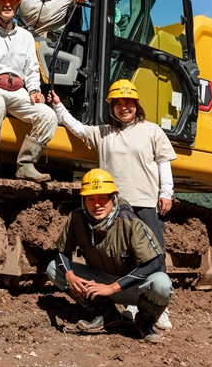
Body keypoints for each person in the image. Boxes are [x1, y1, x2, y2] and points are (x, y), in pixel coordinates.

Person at [49, 79, 177, 330]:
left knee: (154, 257)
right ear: (112, 107)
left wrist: (166, 193)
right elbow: (78, 129)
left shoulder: (152, 130)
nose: (123, 107)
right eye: (118, 103)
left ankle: (157, 309)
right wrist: (59, 107)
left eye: (128, 102)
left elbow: (163, 162)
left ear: (136, 104)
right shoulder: (104, 133)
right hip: (113, 205)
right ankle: (131, 303)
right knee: (124, 257)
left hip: (145, 202)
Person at [45, 168, 173, 343]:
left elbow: (155, 263)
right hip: (98, 282)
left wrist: (112, 288)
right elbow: (61, 251)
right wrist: (69, 275)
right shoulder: (76, 218)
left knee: (162, 283)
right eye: (91, 199)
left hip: (131, 287)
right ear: (84, 200)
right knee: (54, 268)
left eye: (102, 198)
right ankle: (106, 314)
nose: (97, 204)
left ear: (113, 198)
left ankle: (145, 322)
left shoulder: (129, 221)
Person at [0, 0, 58, 181]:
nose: (7, 4)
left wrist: (34, 91)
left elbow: (31, 71)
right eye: (1, 0)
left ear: (17, 4)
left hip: (18, 92)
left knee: (49, 116)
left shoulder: (26, 37)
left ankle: (26, 164)